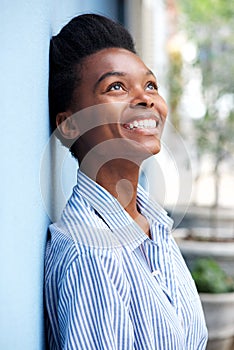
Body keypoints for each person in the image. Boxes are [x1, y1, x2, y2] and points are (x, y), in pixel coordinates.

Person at [45, 13, 208, 350]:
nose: (146, 98)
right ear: (69, 125)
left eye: (150, 85)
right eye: (116, 86)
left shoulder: (155, 225)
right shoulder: (90, 254)